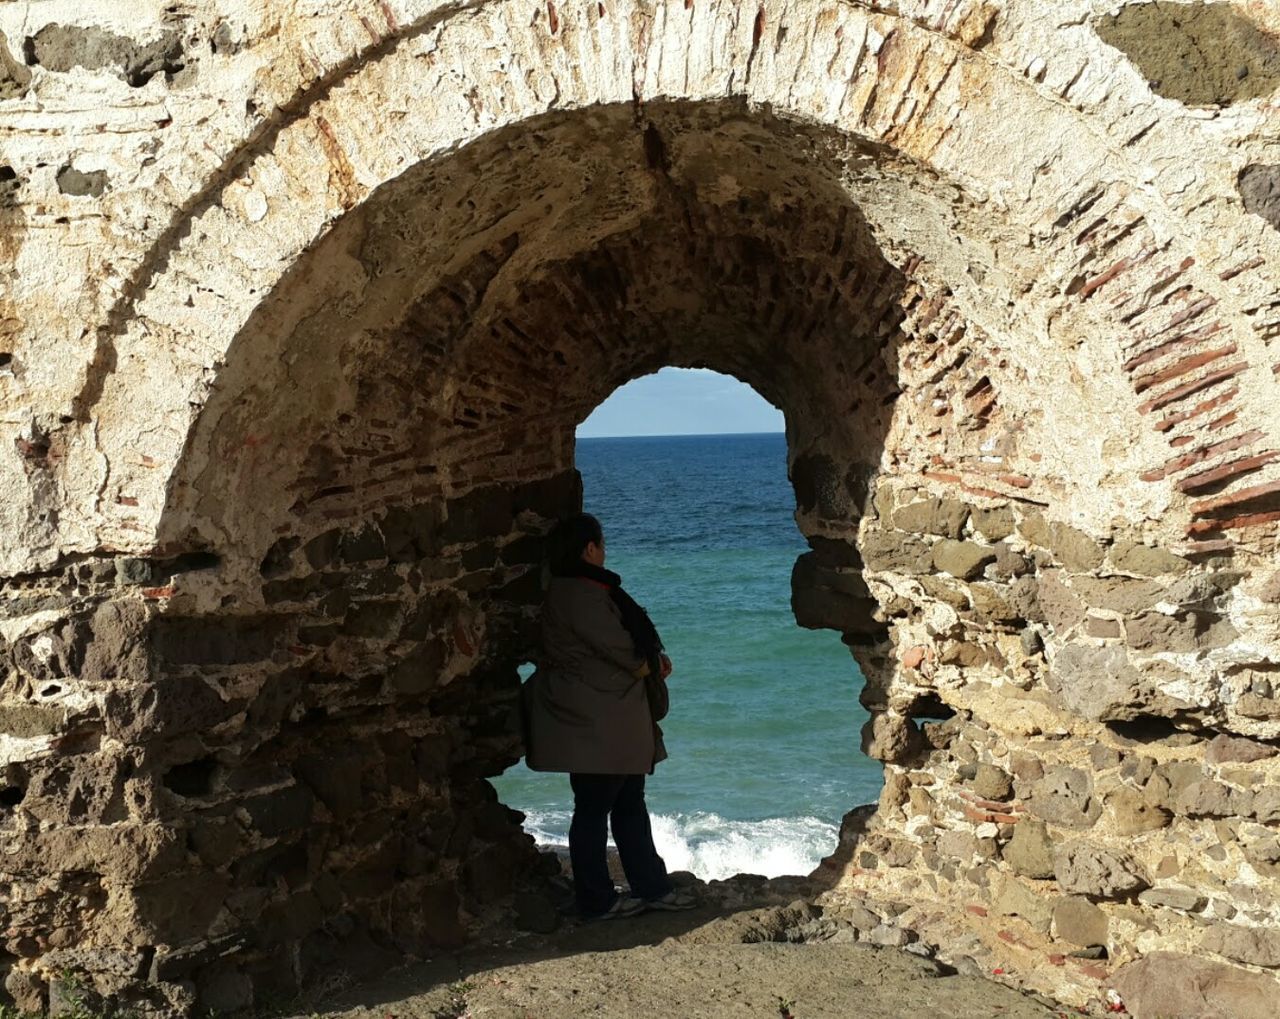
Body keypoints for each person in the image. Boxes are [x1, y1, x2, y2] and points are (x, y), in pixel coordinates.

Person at [523, 513, 697, 919]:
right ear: (589, 548)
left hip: (604, 720)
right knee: (598, 807)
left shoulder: (575, 590)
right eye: (601, 544)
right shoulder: (579, 594)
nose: (604, 551)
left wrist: (650, 663)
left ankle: (648, 887)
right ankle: (599, 899)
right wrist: (650, 664)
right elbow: (620, 648)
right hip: (598, 721)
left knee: (624, 803)